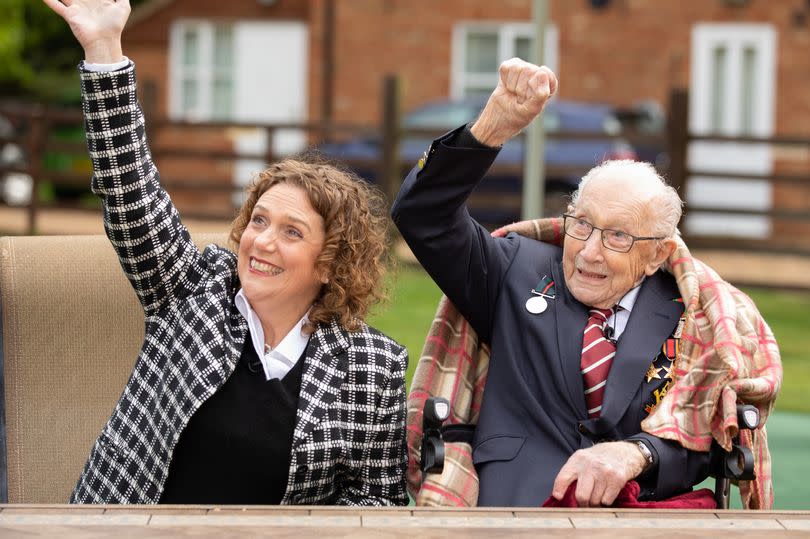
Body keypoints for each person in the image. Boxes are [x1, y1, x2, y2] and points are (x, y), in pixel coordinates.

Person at [44, 0, 408, 506]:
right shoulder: (191, 288)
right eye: (259, 220)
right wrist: (104, 49)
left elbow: (377, 500)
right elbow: (131, 191)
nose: (262, 241)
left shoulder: (373, 367)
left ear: (330, 262)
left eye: (291, 232)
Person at [392, 58, 781, 508]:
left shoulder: (695, 313)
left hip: (638, 519)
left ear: (657, 254)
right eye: (582, 225)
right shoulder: (514, 269)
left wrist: (640, 452)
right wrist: (492, 127)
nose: (589, 251)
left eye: (618, 236)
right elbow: (422, 216)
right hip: (513, 514)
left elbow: (710, 438)